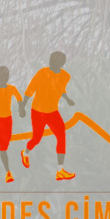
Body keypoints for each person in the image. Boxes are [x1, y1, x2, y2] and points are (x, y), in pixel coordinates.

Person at [22, 51, 76, 181]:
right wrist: (22, 106)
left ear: (61, 64)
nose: (51, 64)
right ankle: (25, 152)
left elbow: (60, 89)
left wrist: (67, 99)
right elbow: (30, 90)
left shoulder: (65, 76)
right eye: (51, 62)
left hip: (52, 112)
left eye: (55, 63)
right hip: (38, 111)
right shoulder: (42, 73)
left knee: (61, 136)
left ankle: (60, 171)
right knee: (37, 138)